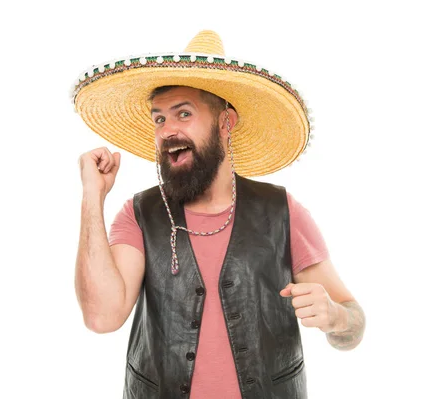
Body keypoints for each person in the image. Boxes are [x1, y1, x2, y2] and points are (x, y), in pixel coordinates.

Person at [72, 30, 365, 399]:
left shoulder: (282, 212)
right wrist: (91, 197)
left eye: (183, 113)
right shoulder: (139, 214)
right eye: (159, 119)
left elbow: (354, 326)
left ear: (226, 123)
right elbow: (101, 317)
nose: (167, 130)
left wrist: (336, 317)